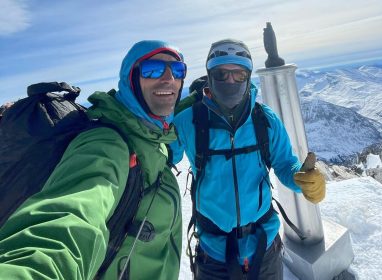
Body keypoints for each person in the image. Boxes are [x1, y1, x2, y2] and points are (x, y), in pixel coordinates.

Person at [0, 40, 186, 280]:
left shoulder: (154, 139)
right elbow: (67, 220)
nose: (169, 78)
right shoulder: (106, 143)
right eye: (153, 69)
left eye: (178, 70)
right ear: (131, 79)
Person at [171, 39, 326, 280]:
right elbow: (162, 157)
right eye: (222, 74)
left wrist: (303, 179)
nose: (230, 81)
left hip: (264, 244)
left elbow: (285, 164)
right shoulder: (189, 121)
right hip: (213, 249)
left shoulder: (265, 120)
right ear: (210, 76)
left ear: (248, 77)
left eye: (239, 74)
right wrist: (167, 115)